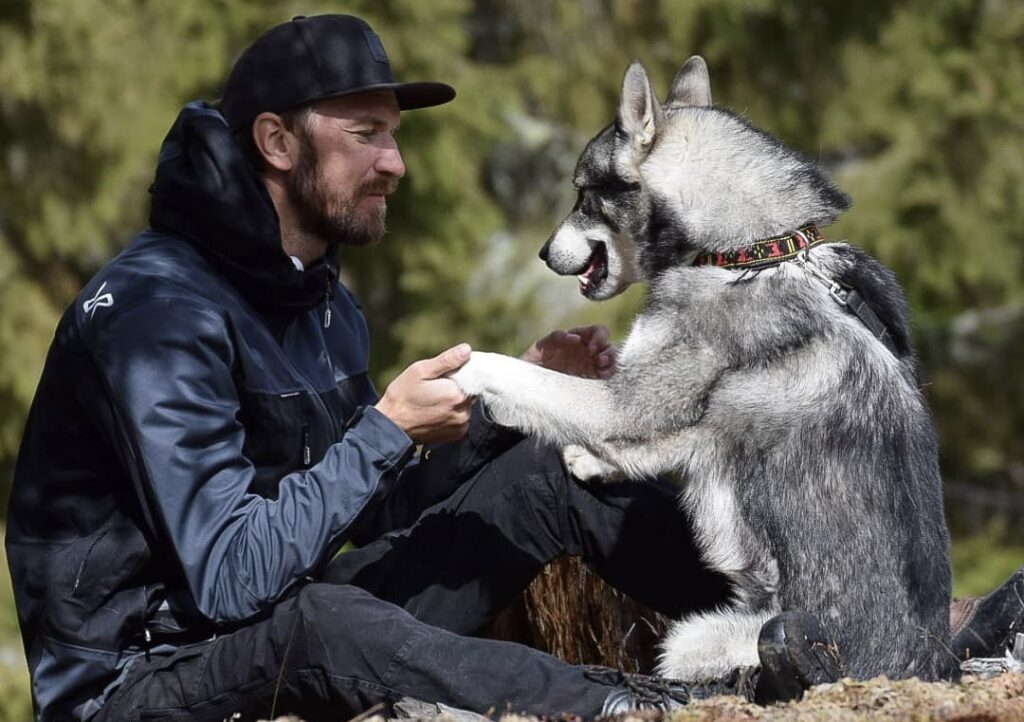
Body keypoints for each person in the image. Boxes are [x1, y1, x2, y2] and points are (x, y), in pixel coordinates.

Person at [6, 13, 1021, 722]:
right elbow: (232, 579)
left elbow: (362, 515)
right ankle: (636, 704)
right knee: (321, 614)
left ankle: (868, 634)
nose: (396, 162)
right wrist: (386, 430)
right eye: (366, 135)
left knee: (547, 473)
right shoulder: (153, 311)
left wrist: (490, 416)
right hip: (151, 679)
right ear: (275, 140)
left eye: (395, 136)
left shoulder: (316, 295)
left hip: (304, 616)